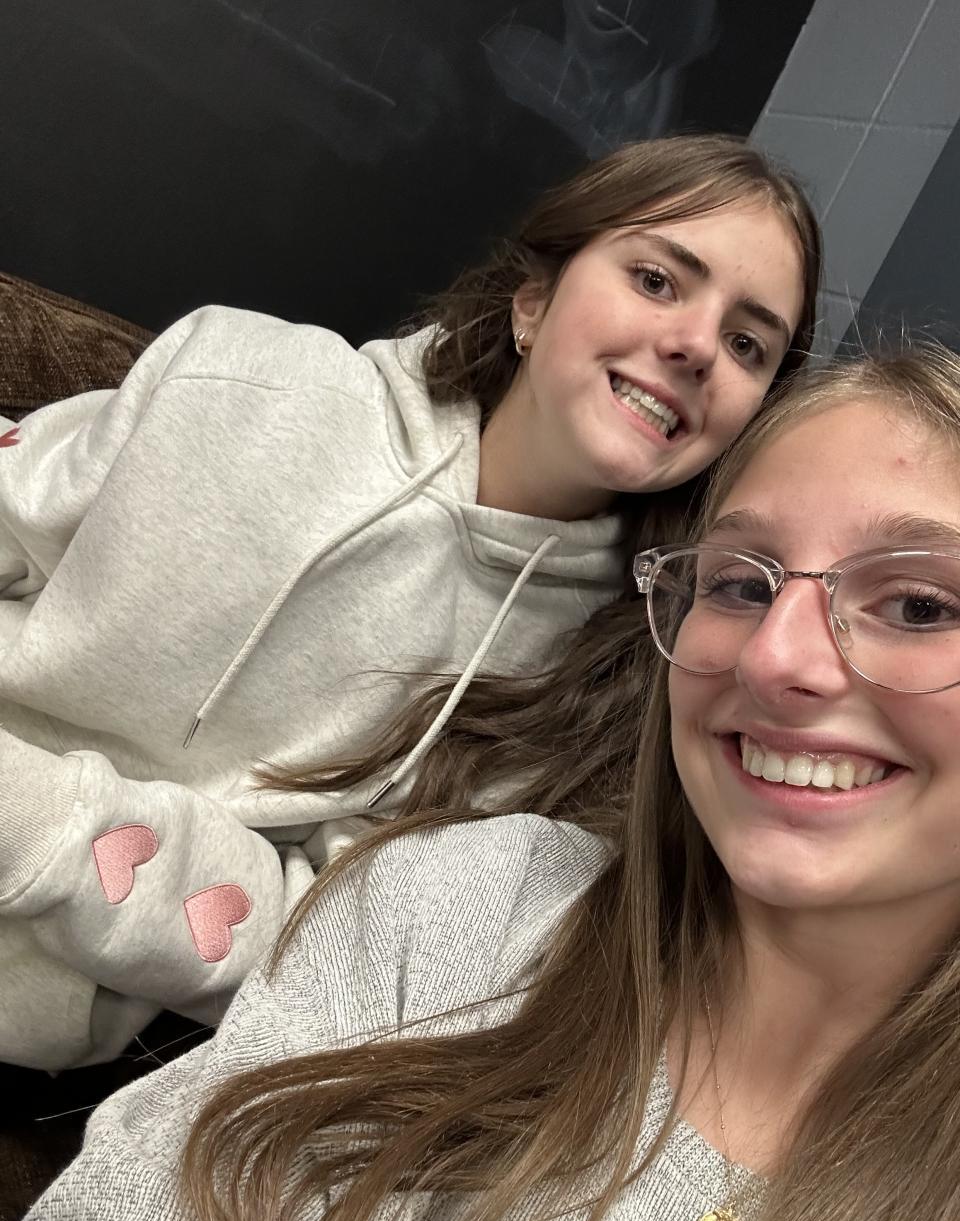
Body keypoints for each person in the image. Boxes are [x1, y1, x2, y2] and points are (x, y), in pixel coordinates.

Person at [3, 339, 959, 1221]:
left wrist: (55, 833)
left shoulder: (562, 689)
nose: (771, 656)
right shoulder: (466, 902)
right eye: (740, 584)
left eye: (920, 606)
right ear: (531, 303)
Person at [0, 134, 818, 1071]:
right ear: (534, 300)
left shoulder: (610, 688)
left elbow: (318, 941)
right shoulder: (246, 373)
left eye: (747, 344)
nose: (695, 346)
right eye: (658, 280)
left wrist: (36, 823)